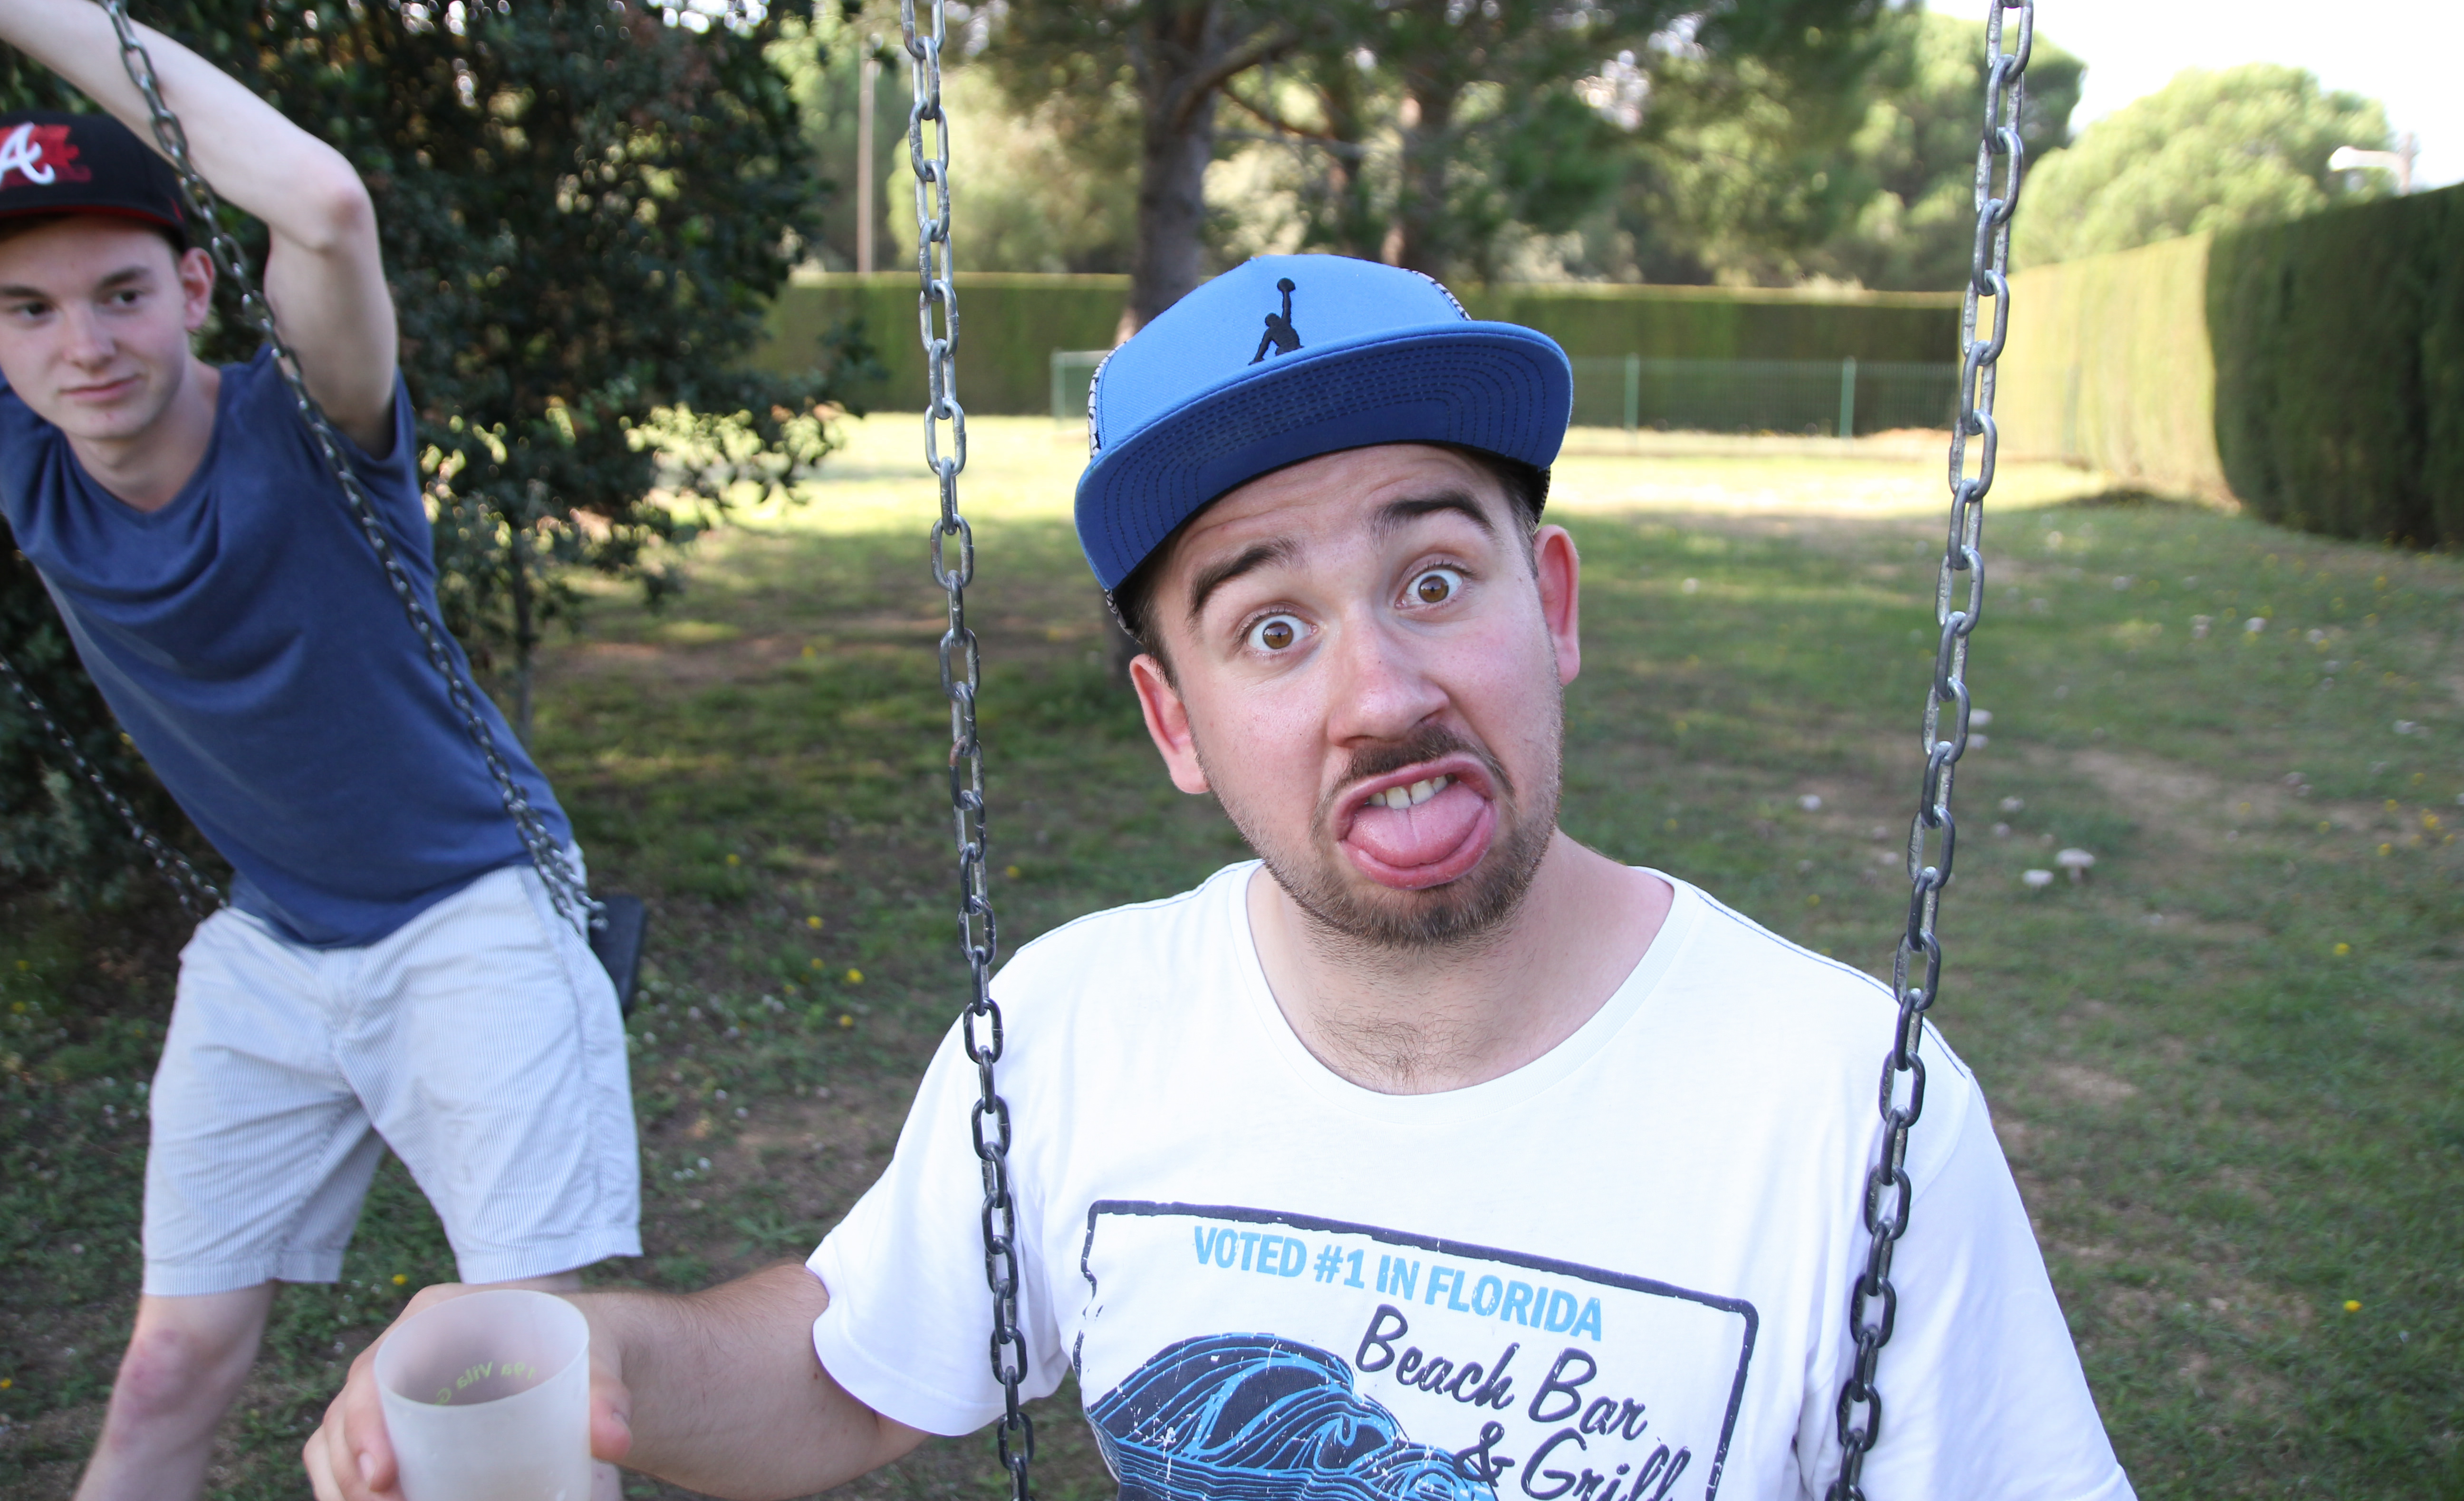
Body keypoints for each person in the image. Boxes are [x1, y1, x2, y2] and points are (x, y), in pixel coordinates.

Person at [305, 254, 2131, 1501]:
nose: (1381, 695)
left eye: (1434, 580)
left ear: (1552, 604)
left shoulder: (1849, 1106)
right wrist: (593, 1355)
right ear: (1176, 724)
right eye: (1271, 628)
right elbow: (843, 1373)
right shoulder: (1078, 1028)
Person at [0, 0, 639, 1501]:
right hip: (275, 943)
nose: (83, 347)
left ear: (195, 288)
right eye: (28, 309)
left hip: (474, 911)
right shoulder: (31, 458)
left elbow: (326, 204)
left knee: (527, 1377)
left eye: (120, 293)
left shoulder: (309, 426)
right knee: (164, 1368)